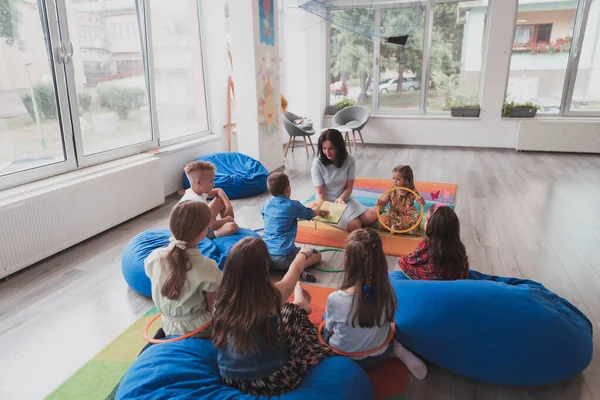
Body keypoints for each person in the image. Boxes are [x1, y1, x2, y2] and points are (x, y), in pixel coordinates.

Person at [212, 238, 333, 396]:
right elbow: (294, 272)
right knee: (291, 312)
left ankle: (300, 302)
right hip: (273, 380)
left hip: (231, 377)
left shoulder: (220, 300)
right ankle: (301, 304)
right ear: (264, 268)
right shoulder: (271, 296)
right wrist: (303, 253)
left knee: (284, 312)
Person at [324, 228, 427, 380]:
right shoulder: (388, 293)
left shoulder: (335, 299)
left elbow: (330, 330)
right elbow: (389, 321)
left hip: (343, 357)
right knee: (387, 329)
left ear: (346, 261)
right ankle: (396, 348)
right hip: (378, 357)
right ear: (381, 261)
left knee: (325, 318)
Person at [144, 201, 222, 340]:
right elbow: (212, 308)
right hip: (200, 330)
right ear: (203, 232)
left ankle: (165, 337)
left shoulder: (154, 258)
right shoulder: (208, 267)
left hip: (168, 325)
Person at [261, 172, 329, 283]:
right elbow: (309, 213)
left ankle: (279, 269)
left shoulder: (266, 204)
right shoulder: (292, 205)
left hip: (266, 256)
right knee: (316, 254)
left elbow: (264, 216)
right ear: (288, 189)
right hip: (285, 257)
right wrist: (319, 212)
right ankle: (296, 269)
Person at [311, 129, 378, 232]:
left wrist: (341, 198)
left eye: (331, 148)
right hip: (326, 203)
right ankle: (326, 218)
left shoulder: (349, 160)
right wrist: (323, 210)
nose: (327, 152)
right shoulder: (317, 163)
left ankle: (380, 207)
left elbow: (349, 187)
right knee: (355, 225)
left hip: (344, 199)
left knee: (372, 216)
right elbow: (320, 193)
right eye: (324, 148)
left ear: (338, 147)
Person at [398, 204, 469, 280]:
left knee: (402, 261)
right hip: (452, 278)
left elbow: (412, 260)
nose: (424, 222)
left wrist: (403, 259)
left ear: (433, 226)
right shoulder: (457, 246)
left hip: (432, 278)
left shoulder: (426, 244)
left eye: (427, 220)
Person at [182, 161, 238, 238]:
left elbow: (219, 190)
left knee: (221, 200)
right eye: (211, 181)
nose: (213, 184)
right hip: (196, 233)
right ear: (199, 182)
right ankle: (211, 236)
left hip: (202, 222)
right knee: (232, 227)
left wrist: (229, 207)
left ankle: (224, 223)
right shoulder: (197, 202)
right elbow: (211, 226)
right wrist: (227, 219)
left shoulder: (196, 191)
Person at [377, 165, 425, 235]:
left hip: (408, 214)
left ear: (406, 180)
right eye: (393, 178)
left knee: (417, 217)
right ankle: (406, 229)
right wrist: (380, 203)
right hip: (394, 214)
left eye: (398, 179)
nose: (394, 181)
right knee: (382, 218)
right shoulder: (391, 191)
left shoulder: (412, 191)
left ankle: (397, 227)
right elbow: (384, 202)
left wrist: (421, 201)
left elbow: (421, 203)